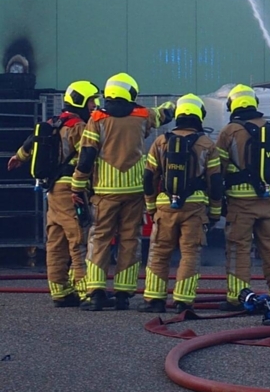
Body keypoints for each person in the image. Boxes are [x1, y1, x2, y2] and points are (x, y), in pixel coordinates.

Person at [72, 73, 175, 311]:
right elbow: (165, 113)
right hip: (134, 190)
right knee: (130, 240)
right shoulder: (142, 116)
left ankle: (96, 293)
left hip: (105, 192)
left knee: (99, 238)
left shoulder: (96, 119)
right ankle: (123, 295)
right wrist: (173, 105)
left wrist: (77, 185)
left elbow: (86, 156)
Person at [7, 81, 100, 307]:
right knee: (78, 239)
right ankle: (85, 291)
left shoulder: (52, 123)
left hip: (52, 189)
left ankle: (60, 291)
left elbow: (30, 143)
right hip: (71, 190)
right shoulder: (79, 127)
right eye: (91, 100)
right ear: (80, 101)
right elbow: (89, 157)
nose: (94, 105)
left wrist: (18, 157)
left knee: (56, 240)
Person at [139, 94, 223, 313]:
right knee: (190, 254)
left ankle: (154, 300)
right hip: (194, 208)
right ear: (199, 115)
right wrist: (214, 212)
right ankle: (183, 301)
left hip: (165, 206)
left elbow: (149, 177)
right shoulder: (207, 144)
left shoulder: (161, 141)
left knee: (159, 251)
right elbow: (215, 181)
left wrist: (150, 206)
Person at [217, 84, 270, 308]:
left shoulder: (229, 131)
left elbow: (217, 167)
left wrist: (218, 199)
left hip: (241, 202)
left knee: (239, 247)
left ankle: (238, 297)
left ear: (232, 105)